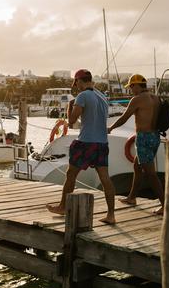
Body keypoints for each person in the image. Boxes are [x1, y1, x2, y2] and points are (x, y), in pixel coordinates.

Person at [46, 69, 116, 225]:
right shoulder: (102, 96)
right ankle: (111, 214)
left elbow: (71, 121)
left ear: (79, 81)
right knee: (105, 178)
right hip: (102, 143)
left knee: (71, 174)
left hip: (85, 142)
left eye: (75, 83)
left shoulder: (82, 96)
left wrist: (70, 105)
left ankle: (63, 206)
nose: (75, 86)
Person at [107, 74, 165, 215]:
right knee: (137, 166)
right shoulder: (156, 98)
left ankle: (165, 205)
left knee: (151, 174)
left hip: (144, 138)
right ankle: (132, 197)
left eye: (131, 86)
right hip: (155, 136)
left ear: (137, 85)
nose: (131, 90)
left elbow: (124, 117)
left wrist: (110, 128)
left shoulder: (137, 99)